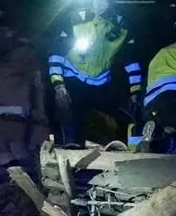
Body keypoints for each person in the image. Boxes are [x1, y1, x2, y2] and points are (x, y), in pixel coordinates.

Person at [48, 0, 141, 147]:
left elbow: (131, 62)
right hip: (74, 81)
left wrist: (135, 92)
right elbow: (56, 56)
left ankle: (134, 149)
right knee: (66, 108)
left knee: (133, 112)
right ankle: (70, 146)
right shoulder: (74, 19)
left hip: (102, 83)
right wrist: (59, 86)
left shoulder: (122, 26)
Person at [141, 41, 176, 152]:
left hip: (151, 99)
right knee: (171, 124)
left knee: (160, 118)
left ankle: (152, 130)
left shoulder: (162, 53)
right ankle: (168, 129)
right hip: (172, 94)